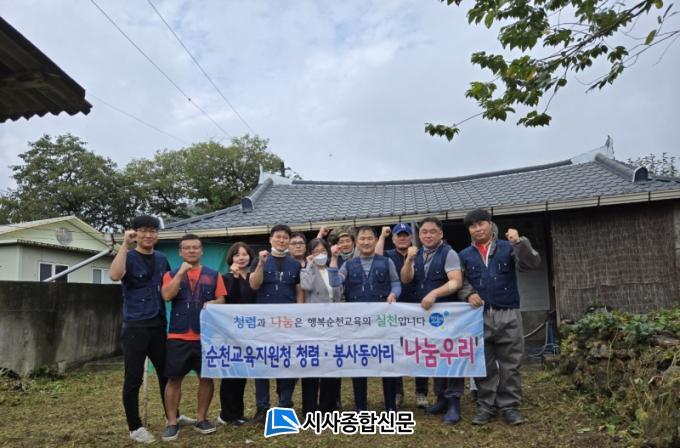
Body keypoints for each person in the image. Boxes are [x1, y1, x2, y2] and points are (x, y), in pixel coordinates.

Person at [109, 215, 194, 444]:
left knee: (167, 374)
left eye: (153, 231)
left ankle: (172, 417)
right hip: (135, 326)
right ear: (135, 233)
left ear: (157, 234)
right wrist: (124, 245)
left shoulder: (161, 259)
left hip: (158, 324)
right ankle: (135, 427)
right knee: (133, 378)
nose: (148, 235)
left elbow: (169, 287)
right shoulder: (128, 255)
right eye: (143, 230)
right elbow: (115, 275)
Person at [459, 209, 540, 426]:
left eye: (481, 224)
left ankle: (509, 406)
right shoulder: (465, 255)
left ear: (490, 224)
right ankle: (486, 406)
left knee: (510, 363)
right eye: (473, 226)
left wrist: (519, 242)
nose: (477, 229)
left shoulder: (508, 247)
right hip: (478, 316)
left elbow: (531, 264)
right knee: (483, 363)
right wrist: (468, 294)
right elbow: (460, 281)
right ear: (469, 230)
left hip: (508, 312)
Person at [160, 234, 227, 441]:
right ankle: (172, 422)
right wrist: (181, 272)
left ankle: (201, 418)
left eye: (195, 247)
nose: (191, 251)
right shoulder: (171, 274)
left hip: (205, 336)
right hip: (178, 335)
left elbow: (222, 299)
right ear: (180, 252)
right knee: (174, 379)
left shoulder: (213, 275)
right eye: (187, 248)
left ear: (201, 251)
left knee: (206, 378)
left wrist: (214, 303)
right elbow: (167, 296)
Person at [400, 217, 464, 425]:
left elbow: (456, 281)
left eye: (432, 231)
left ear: (441, 234)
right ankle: (441, 398)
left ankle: (454, 402)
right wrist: (408, 260)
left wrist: (435, 293)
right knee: (435, 355)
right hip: (426, 317)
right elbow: (406, 279)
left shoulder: (449, 253)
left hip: (447, 314)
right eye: (424, 232)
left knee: (451, 356)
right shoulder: (416, 254)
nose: (428, 235)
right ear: (419, 235)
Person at [331, 226, 401, 412]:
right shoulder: (348, 265)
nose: (366, 242)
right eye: (362, 239)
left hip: (382, 320)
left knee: (387, 361)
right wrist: (333, 259)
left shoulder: (386, 262)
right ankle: (360, 407)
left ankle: (390, 407)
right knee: (359, 362)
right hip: (358, 322)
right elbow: (335, 282)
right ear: (357, 242)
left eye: (370, 238)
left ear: (375, 240)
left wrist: (393, 294)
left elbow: (396, 283)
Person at [249, 224, 304, 423]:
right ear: (270, 239)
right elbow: (254, 285)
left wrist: (299, 314)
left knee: (286, 362)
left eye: (285, 237)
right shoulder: (260, 260)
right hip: (264, 321)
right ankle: (262, 407)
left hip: (287, 321)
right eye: (278, 237)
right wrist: (261, 264)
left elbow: (299, 290)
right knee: (262, 363)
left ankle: (285, 403)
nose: (281, 240)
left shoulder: (295, 264)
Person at [375, 223, 429, 409]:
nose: (403, 238)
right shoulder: (388, 255)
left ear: (411, 237)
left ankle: (421, 392)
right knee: (395, 351)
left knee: (420, 350)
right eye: (399, 235)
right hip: (394, 310)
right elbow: (376, 257)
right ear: (394, 238)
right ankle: (397, 392)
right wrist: (382, 236)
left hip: (418, 308)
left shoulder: (420, 254)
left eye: (406, 235)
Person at [299, 238, 343, 416]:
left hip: (333, 323)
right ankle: (309, 408)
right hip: (314, 324)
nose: (320, 255)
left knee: (331, 363)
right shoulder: (307, 269)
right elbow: (306, 285)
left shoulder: (333, 269)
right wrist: (309, 265)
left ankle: (328, 407)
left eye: (323, 251)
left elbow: (339, 291)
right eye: (316, 251)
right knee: (312, 365)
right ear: (310, 254)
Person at [218, 242, 256, 427]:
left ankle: (238, 413)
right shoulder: (225, 278)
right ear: (231, 258)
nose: (241, 258)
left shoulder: (253, 277)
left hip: (249, 332)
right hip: (230, 332)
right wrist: (233, 277)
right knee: (230, 374)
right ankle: (226, 414)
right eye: (237, 255)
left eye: (244, 254)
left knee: (242, 373)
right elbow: (229, 299)